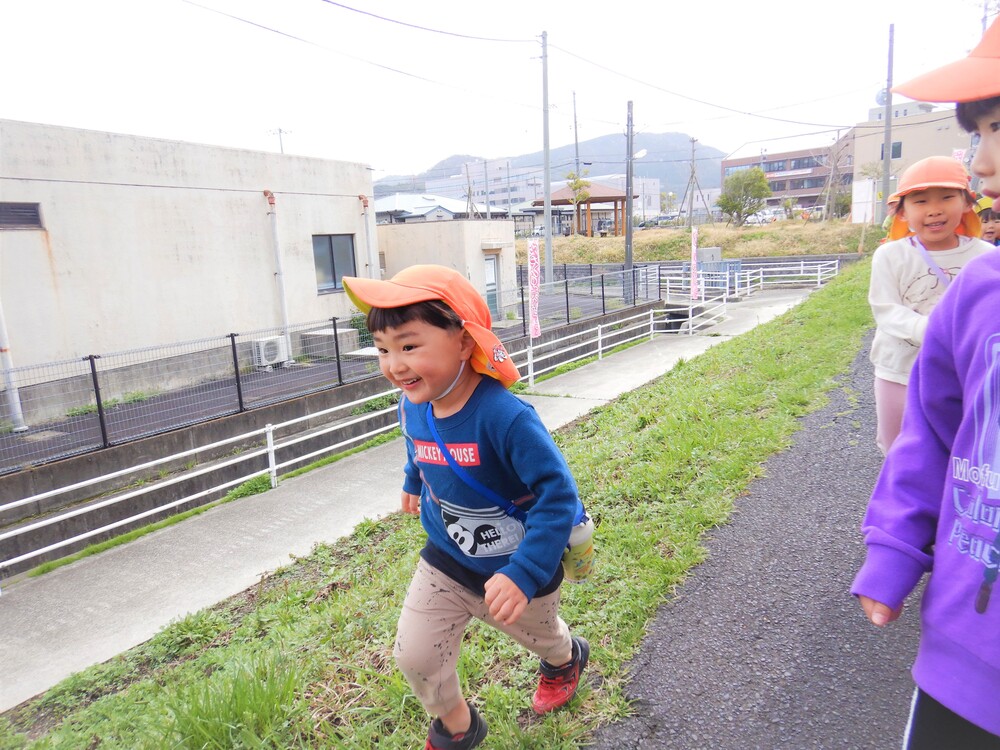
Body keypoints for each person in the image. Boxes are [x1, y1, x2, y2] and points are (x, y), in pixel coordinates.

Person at [341, 265, 588, 750]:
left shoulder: (506, 418)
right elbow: (418, 444)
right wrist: (414, 478)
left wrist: (523, 574)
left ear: (463, 340)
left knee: (543, 639)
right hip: (447, 557)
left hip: (517, 569)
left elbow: (558, 497)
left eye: (409, 346)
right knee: (415, 656)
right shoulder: (412, 402)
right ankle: (457, 728)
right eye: (383, 349)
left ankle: (566, 659)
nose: (394, 365)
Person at [852, 19, 1000, 748]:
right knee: (899, 441)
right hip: (971, 651)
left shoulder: (976, 263)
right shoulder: (977, 288)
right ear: (901, 213)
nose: (985, 160)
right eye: (982, 132)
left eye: (999, 129)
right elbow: (933, 433)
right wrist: (897, 545)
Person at [867, 155, 991, 455]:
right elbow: (886, 310)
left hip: (961, 372)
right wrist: (933, 330)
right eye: (920, 201)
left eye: (947, 197)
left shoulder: (985, 255)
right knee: (896, 446)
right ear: (902, 212)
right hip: (898, 370)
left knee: (958, 446)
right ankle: (903, 500)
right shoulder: (890, 255)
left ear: (965, 203)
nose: (934, 210)